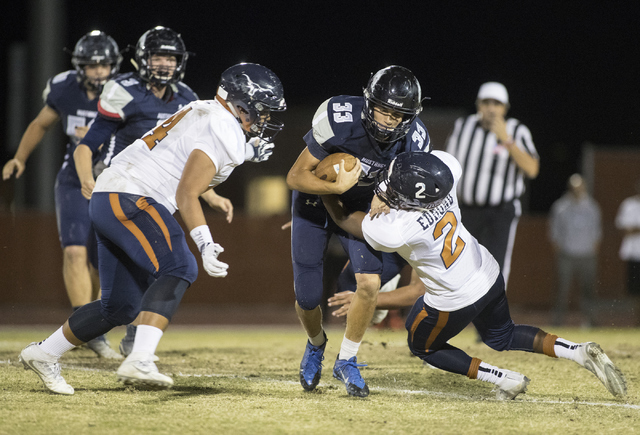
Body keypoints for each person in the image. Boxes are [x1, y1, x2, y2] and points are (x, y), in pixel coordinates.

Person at [18, 62, 286, 395]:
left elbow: (188, 157)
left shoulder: (202, 108)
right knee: (180, 265)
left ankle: (44, 353)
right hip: (131, 196)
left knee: (119, 306)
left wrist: (246, 150)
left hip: (111, 196)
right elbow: (187, 193)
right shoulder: (223, 128)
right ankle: (140, 358)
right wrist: (204, 243)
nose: (263, 119)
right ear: (240, 103)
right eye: (260, 111)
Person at [322, 150, 627, 400]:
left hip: (455, 297)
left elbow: (342, 217)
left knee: (423, 346)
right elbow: (433, 163)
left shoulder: (395, 228)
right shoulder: (447, 177)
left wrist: (327, 189)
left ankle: (505, 379)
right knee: (503, 334)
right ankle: (577, 351)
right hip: (487, 272)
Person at [287, 65, 431, 397]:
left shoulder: (416, 139)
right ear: (369, 102)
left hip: (363, 207)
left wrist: (387, 195)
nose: (388, 121)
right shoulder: (340, 118)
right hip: (314, 199)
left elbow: (408, 191)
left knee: (369, 282)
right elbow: (295, 176)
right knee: (307, 297)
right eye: (383, 110)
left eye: (398, 115)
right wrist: (335, 186)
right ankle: (315, 343)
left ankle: (347, 360)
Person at [72, 26, 215, 356]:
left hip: (159, 197)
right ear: (142, 59)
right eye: (157, 56)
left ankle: (56, 347)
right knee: (165, 267)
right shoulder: (123, 90)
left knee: (123, 299)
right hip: (124, 191)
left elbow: (193, 163)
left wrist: (210, 194)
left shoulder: (188, 100)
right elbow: (87, 145)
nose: (164, 64)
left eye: (170, 57)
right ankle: (134, 340)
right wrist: (85, 178)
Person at [2, 30, 123, 359]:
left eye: (104, 65)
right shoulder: (65, 88)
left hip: (114, 180)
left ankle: (95, 325)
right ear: (79, 66)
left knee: (103, 262)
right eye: (92, 65)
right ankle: (87, 330)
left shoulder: (125, 92)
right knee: (73, 252)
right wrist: (19, 157)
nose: (98, 71)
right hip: (74, 178)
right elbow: (40, 124)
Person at [445, 82, 539, 287]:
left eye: (497, 103)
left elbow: (532, 169)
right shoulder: (464, 126)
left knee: (495, 267)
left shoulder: (517, 130)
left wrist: (507, 141)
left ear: (505, 108)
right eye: (486, 102)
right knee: (459, 264)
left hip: (500, 211)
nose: (491, 108)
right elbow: (448, 164)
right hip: (467, 210)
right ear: (478, 104)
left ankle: (491, 317)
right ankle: (459, 315)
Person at [548, 174, 601, 327]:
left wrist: (593, 250)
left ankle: (590, 321)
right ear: (570, 188)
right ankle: (558, 321)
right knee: (562, 290)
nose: (577, 190)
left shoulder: (592, 206)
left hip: (587, 254)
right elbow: (554, 232)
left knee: (588, 290)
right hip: (567, 254)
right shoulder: (561, 207)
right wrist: (558, 250)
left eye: (580, 187)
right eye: (574, 188)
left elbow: (597, 231)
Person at [615, 178, 640, 322]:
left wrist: (634, 229)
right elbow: (624, 229)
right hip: (633, 254)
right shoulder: (628, 205)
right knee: (634, 291)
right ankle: (636, 320)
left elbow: (630, 229)